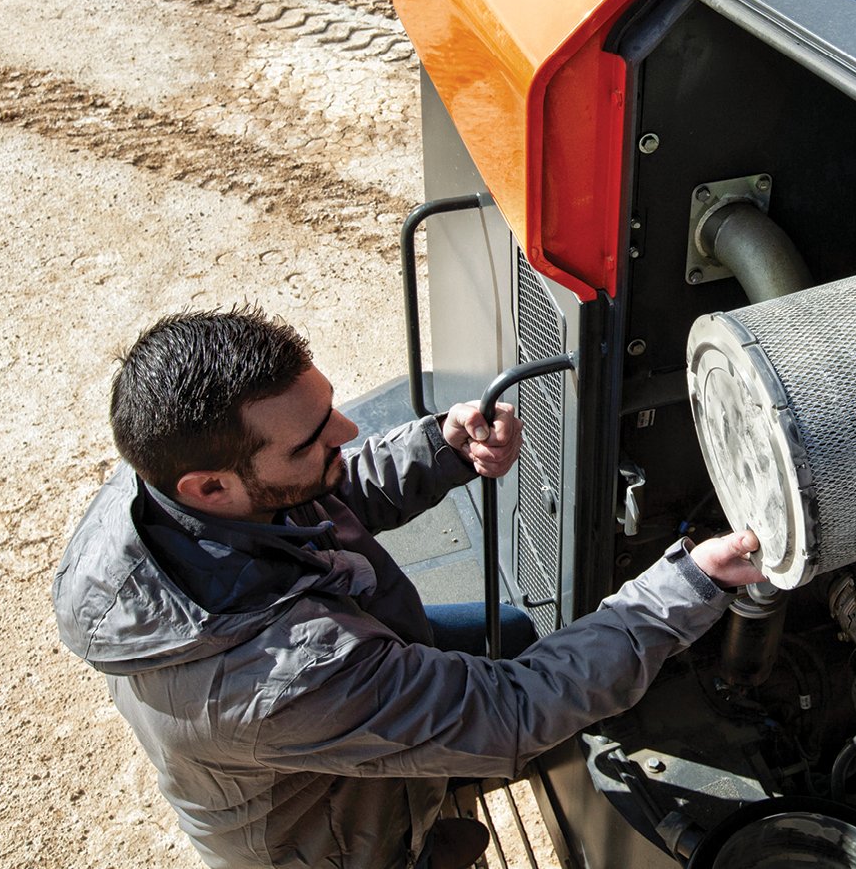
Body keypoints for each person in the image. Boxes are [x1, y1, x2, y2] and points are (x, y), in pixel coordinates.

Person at [51, 306, 764, 869]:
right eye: (312, 437)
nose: (349, 427)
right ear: (209, 486)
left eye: (327, 406)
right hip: (332, 846)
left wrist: (438, 449)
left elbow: (319, 492)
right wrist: (687, 583)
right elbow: (511, 711)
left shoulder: (163, 492)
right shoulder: (284, 677)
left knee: (509, 633)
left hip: (306, 725)